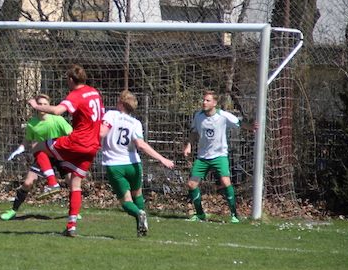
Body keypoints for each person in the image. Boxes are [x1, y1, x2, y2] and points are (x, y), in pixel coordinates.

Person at [27, 64, 103, 237]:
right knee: (75, 184)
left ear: (70, 80)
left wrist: (36, 106)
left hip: (77, 141)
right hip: (92, 146)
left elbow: (57, 111)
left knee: (38, 147)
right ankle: (71, 226)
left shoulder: (76, 95)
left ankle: (52, 182)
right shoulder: (94, 92)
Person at [100, 90, 176, 236]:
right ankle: (141, 228)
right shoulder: (135, 123)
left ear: (121, 103)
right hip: (134, 164)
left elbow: (101, 133)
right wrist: (162, 158)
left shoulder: (111, 115)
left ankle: (139, 213)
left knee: (126, 201)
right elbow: (140, 145)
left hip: (114, 165)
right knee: (138, 195)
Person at [183, 89, 257, 223]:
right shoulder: (198, 116)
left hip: (219, 156)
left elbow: (239, 124)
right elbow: (194, 132)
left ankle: (234, 215)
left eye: (207, 100)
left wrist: (251, 127)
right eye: (203, 100)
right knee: (192, 184)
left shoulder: (223, 116)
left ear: (215, 103)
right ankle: (200, 214)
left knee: (225, 182)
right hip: (203, 157)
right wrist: (189, 145)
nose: (204, 102)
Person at [0, 94, 73, 221]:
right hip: (43, 156)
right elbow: (27, 140)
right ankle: (13, 210)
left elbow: (71, 135)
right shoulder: (32, 123)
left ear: (49, 105)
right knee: (27, 183)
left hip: (59, 154)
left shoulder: (58, 120)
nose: (43, 107)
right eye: (40, 104)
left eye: (45, 104)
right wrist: (20, 148)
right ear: (36, 107)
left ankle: (73, 212)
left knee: (72, 181)